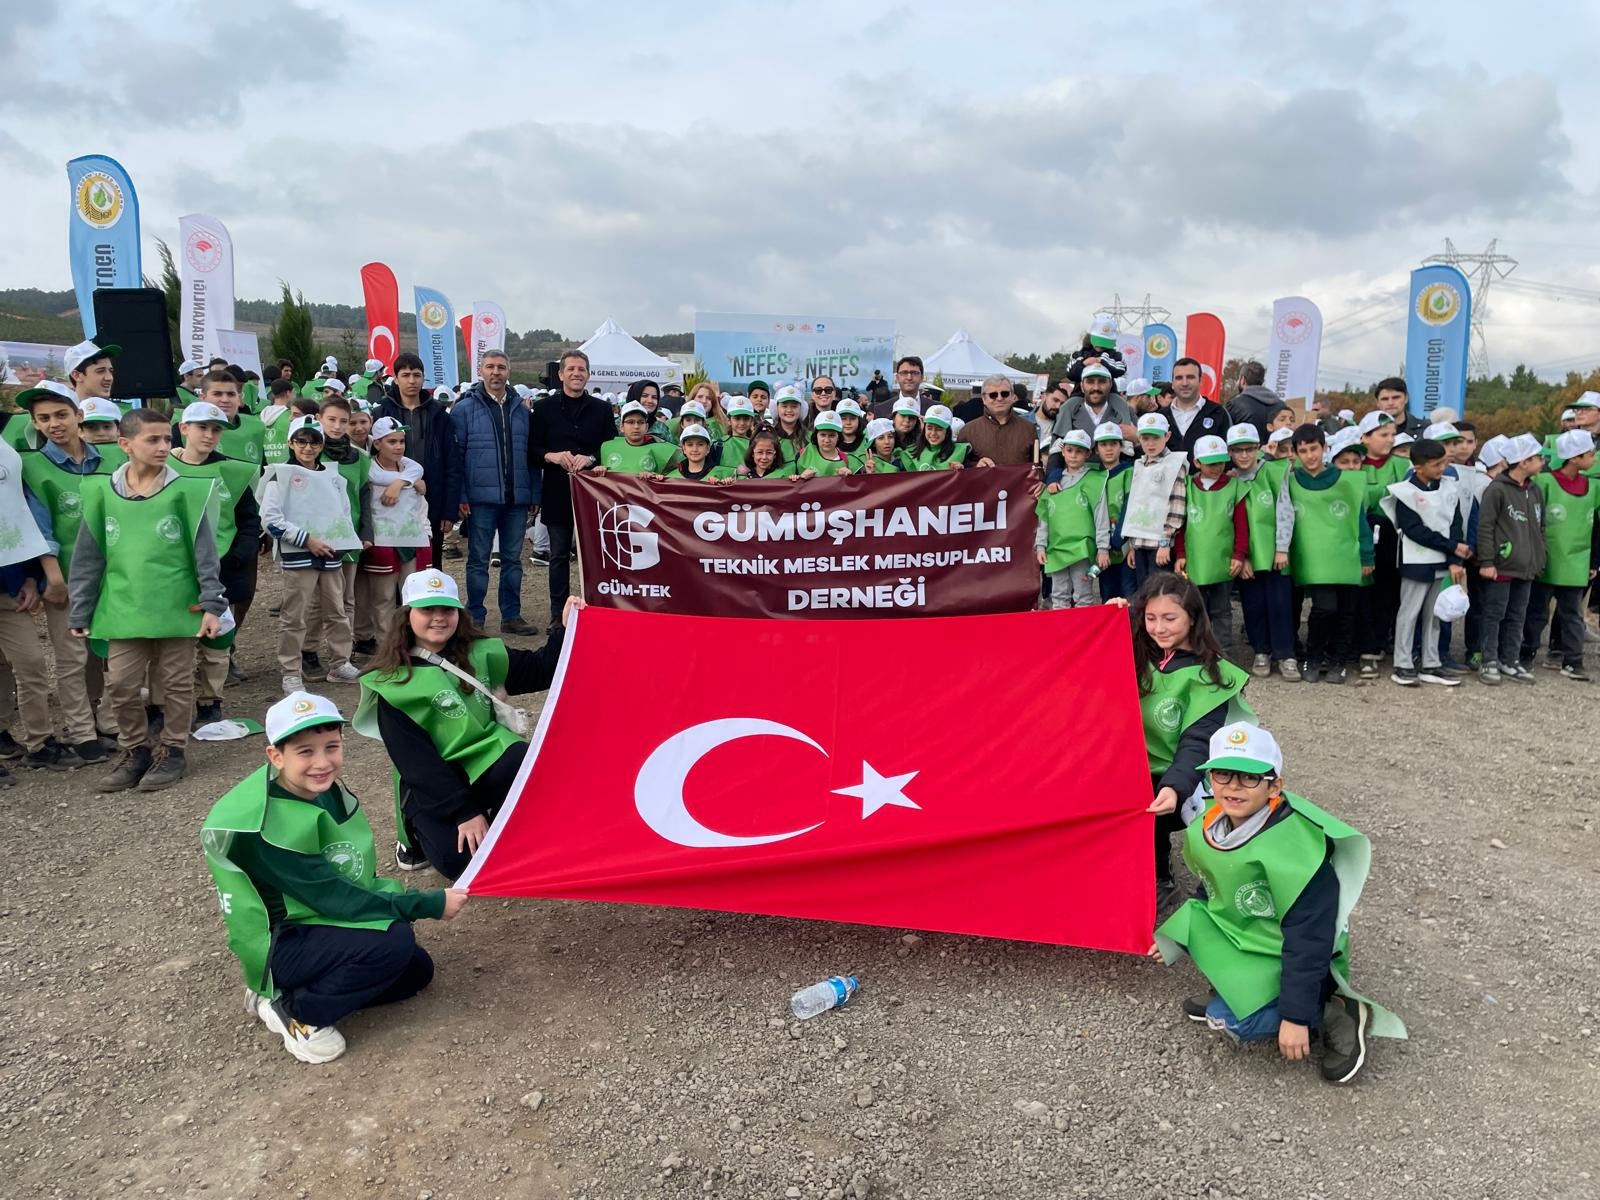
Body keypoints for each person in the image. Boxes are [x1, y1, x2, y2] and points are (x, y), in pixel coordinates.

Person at [201, 690, 466, 1064]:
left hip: (313, 919)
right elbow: (335, 898)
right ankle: (296, 1010)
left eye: (331, 747)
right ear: (276, 756)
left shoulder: (316, 790)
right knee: (392, 944)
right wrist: (428, 903)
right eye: (305, 752)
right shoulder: (267, 824)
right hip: (280, 941)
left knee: (415, 971)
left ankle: (294, 989)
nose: (322, 762)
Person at [1150, 721, 1405, 1084]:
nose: (1233, 786)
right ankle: (1237, 990)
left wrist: (1296, 1017)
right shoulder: (1209, 824)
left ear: (1275, 785)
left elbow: (1309, 940)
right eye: (1222, 774)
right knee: (1216, 969)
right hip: (1250, 937)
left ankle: (1332, 1011)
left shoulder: (1296, 853)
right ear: (1209, 779)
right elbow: (1210, 889)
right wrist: (1179, 938)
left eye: (1249, 777)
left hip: (1284, 948)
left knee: (1233, 1021)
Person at [355, 572, 571, 878]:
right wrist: (465, 813)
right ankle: (419, 834)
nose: (438, 618)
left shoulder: (479, 653)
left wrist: (564, 626)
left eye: (447, 609)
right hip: (436, 786)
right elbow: (419, 765)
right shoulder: (392, 683)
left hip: (485, 766)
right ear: (407, 616)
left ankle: (502, 823)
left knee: (519, 759)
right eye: (427, 610)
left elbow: (541, 669)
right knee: (464, 866)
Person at [68, 409, 226, 791]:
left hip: (177, 606)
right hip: (124, 607)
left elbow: (205, 553)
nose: (163, 446)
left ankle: (173, 750)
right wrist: (80, 608)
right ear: (125, 444)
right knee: (121, 684)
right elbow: (88, 556)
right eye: (152, 439)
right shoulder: (101, 493)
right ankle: (135, 749)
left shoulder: (185, 492)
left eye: (167, 439)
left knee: (176, 684)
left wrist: (212, 604)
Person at [1119, 572, 1250, 907]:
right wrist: (1112, 616)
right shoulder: (1139, 650)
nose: (1158, 628)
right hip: (1130, 761)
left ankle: (1161, 876)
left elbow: (1198, 742)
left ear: (1192, 617)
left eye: (1169, 618)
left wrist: (1175, 787)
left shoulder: (1211, 675)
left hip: (1182, 775)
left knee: (1148, 802)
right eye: (1150, 618)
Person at [169, 400, 262, 724]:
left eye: (215, 429)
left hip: (220, 569)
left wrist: (238, 556)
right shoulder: (162, 469)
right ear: (184, 428)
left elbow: (249, 519)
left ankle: (210, 702)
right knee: (177, 643)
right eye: (202, 428)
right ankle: (167, 706)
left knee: (216, 642)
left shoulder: (231, 472)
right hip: (173, 570)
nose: (209, 435)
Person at [262, 417, 363, 694]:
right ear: (290, 442)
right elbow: (270, 519)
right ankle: (291, 672)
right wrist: (306, 540)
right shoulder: (279, 475)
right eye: (302, 441)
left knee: (337, 610)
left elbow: (343, 514)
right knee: (295, 616)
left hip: (330, 553)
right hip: (299, 555)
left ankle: (340, 662)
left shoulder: (333, 477)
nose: (308, 447)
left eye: (314, 442)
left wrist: (342, 541)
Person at [452, 349, 538, 635]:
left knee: (513, 560)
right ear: (481, 370)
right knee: (478, 559)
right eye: (490, 366)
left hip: (516, 497)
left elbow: (531, 455)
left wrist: (534, 493)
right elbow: (457, 456)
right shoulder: (464, 409)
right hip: (480, 498)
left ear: (508, 371)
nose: (496, 372)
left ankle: (511, 615)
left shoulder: (522, 411)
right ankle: (474, 616)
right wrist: (461, 494)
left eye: (501, 367)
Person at [528, 349, 613, 630]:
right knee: (559, 555)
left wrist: (591, 458)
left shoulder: (602, 409)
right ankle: (558, 614)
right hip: (557, 490)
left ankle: (600, 609)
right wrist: (551, 456)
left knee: (598, 555)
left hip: (594, 494)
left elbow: (611, 449)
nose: (577, 373)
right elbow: (532, 449)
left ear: (588, 374)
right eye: (571, 369)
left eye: (582, 369)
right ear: (561, 374)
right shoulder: (543, 408)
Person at [1285, 425, 1373, 684]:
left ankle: (1338, 661)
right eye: (1303, 451)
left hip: (1347, 556)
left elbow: (1359, 519)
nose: (1310, 456)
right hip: (1315, 560)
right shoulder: (1290, 481)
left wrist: (1366, 555)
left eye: (1314, 449)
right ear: (1295, 453)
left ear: (1324, 448)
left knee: (1347, 611)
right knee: (1324, 609)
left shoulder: (1345, 479)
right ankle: (1313, 657)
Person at [1, 431, 67, 776]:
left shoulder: (6, 456)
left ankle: (39, 742)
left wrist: (29, 576)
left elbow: (18, 518)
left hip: (7, 589)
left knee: (30, 663)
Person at [1377, 439, 1469, 687]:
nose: (1442, 468)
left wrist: (1454, 559)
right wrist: (1450, 546)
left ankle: (1431, 663)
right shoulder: (1405, 492)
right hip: (1416, 561)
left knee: (1435, 614)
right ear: (1418, 467)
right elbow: (1414, 530)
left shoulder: (1449, 488)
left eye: (1443, 463)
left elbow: (1455, 524)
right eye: (1436, 464)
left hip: (1442, 561)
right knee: (1409, 613)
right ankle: (1403, 663)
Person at [1520, 429, 1599, 680]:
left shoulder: (1594, 486)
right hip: (1546, 559)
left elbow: (1597, 526)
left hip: (1577, 561)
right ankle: (1526, 654)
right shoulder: (1544, 483)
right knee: (1537, 612)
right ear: (1574, 457)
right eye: (1590, 454)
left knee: (1573, 614)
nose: (1594, 458)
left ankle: (1573, 660)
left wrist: (1595, 560)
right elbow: (1533, 522)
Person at [371, 352, 457, 568]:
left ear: (423, 378)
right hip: (389, 499)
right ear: (395, 379)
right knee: (392, 565)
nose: (412, 381)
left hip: (431, 497)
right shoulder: (380, 412)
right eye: (406, 375)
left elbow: (452, 463)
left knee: (430, 563)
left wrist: (449, 510)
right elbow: (372, 457)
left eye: (416, 375)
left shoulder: (440, 415)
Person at [1226, 424, 1298, 680]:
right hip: (1248, 558)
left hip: (1275, 554)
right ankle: (1261, 651)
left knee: (1280, 604)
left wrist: (1282, 548)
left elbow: (1285, 511)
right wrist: (1241, 556)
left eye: (1249, 449)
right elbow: (1227, 524)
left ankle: (1286, 654)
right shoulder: (1230, 481)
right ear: (1230, 453)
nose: (1244, 455)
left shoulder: (1274, 472)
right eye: (1238, 450)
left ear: (1259, 448)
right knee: (1253, 605)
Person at [1476, 434, 1548, 686]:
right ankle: (1489, 659)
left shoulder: (1535, 489)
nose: (1542, 462)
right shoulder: (1497, 489)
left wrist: (1540, 557)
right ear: (1523, 462)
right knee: (1495, 613)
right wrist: (1487, 561)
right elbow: (1485, 527)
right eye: (1538, 457)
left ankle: (1510, 659)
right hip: (1501, 565)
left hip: (1526, 565)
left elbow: (1540, 526)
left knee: (1518, 614)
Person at [358, 416, 434, 652]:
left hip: (412, 539)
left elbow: (417, 476)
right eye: (392, 442)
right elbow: (377, 477)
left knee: (414, 596)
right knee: (383, 599)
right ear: (377, 443)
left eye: (401, 441)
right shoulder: (369, 468)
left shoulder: (410, 469)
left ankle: (413, 642)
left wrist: (402, 482)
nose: (399, 446)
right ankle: (386, 647)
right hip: (383, 540)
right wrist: (408, 481)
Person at [1173, 435, 1247, 652]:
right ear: (1197, 463)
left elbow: (1241, 525)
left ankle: (1223, 652)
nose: (1217, 467)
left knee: (1222, 609)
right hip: (1195, 560)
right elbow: (1181, 525)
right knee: (1195, 609)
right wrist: (1180, 554)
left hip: (1222, 560)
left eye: (1221, 462)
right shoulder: (1188, 486)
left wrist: (1239, 554)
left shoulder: (1234, 486)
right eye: (1211, 463)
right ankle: (1198, 650)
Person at [1034, 430, 1110, 608]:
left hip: (1082, 548)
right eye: (1069, 450)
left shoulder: (1095, 480)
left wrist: (1103, 548)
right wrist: (1040, 546)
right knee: (1058, 596)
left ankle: (1085, 627)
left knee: (1083, 595)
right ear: (1063, 452)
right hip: (1056, 548)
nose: (1073, 455)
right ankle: (1062, 627)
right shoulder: (1053, 484)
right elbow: (1044, 519)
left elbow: (1101, 516)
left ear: (1088, 454)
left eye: (1079, 451)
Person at [1120, 413, 1188, 589]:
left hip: (1160, 544)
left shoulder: (1175, 464)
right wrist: (1133, 545)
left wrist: (1165, 542)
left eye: (1156, 438)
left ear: (1167, 436)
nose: (1150, 444)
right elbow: (1135, 505)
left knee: (1159, 591)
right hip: (1140, 543)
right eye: (1145, 438)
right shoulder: (1139, 464)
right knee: (1144, 590)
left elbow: (1177, 506)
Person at [958, 375, 1037, 467]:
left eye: (1005, 394)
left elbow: (1037, 466)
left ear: (1013, 397)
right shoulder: (968, 431)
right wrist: (975, 466)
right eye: (993, 395)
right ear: (984, 399)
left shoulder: (1028, 429)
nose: (999, 398)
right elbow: (958, 466)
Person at [1051, 364, 1136, 445]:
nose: (1096, 387)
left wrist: (1137, 438)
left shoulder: (1126, 412)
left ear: (1110, 385)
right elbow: (1055, 450)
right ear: (1082, 386)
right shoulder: (1068, 413)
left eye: (1102, 382)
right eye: (1090, 382)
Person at [1164, 358, 1229, 463]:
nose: (1185, 383)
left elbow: (1228, 453)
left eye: (1190, 377)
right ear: (1172, 383)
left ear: (1200, 381)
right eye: (1179, 378)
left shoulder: (1218, 413)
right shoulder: (1161, 416)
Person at [598, 401, 676, 475]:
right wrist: (598, 471)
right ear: (622, 427)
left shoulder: (662, 449)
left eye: (641, 422)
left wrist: (657, 477)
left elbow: (674, 476)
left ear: (646, 427)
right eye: (630, 422)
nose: (636, 426)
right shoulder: (608, 447)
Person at [1224, 361, 1291, 443]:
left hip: (1245, 450)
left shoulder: (1234, 405)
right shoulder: (1281, 405)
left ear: (1243, 380)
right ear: (1262, 381)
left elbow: (1225, 435)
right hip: (1275, 450)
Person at [911, 405, 970, 470]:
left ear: (947, 431)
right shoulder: (911, 451)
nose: (933, 433)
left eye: (939, 429)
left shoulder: (960, 451)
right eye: (929, 428)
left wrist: (961, 471)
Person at [796, 412, 851, 478]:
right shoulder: (803, 454)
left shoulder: (845, 459)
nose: (827, 440)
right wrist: (801, 477)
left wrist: (848, 477)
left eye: (832, 435)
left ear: (838, 437)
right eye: (823, 435)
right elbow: (792, 479)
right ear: (816, 435)